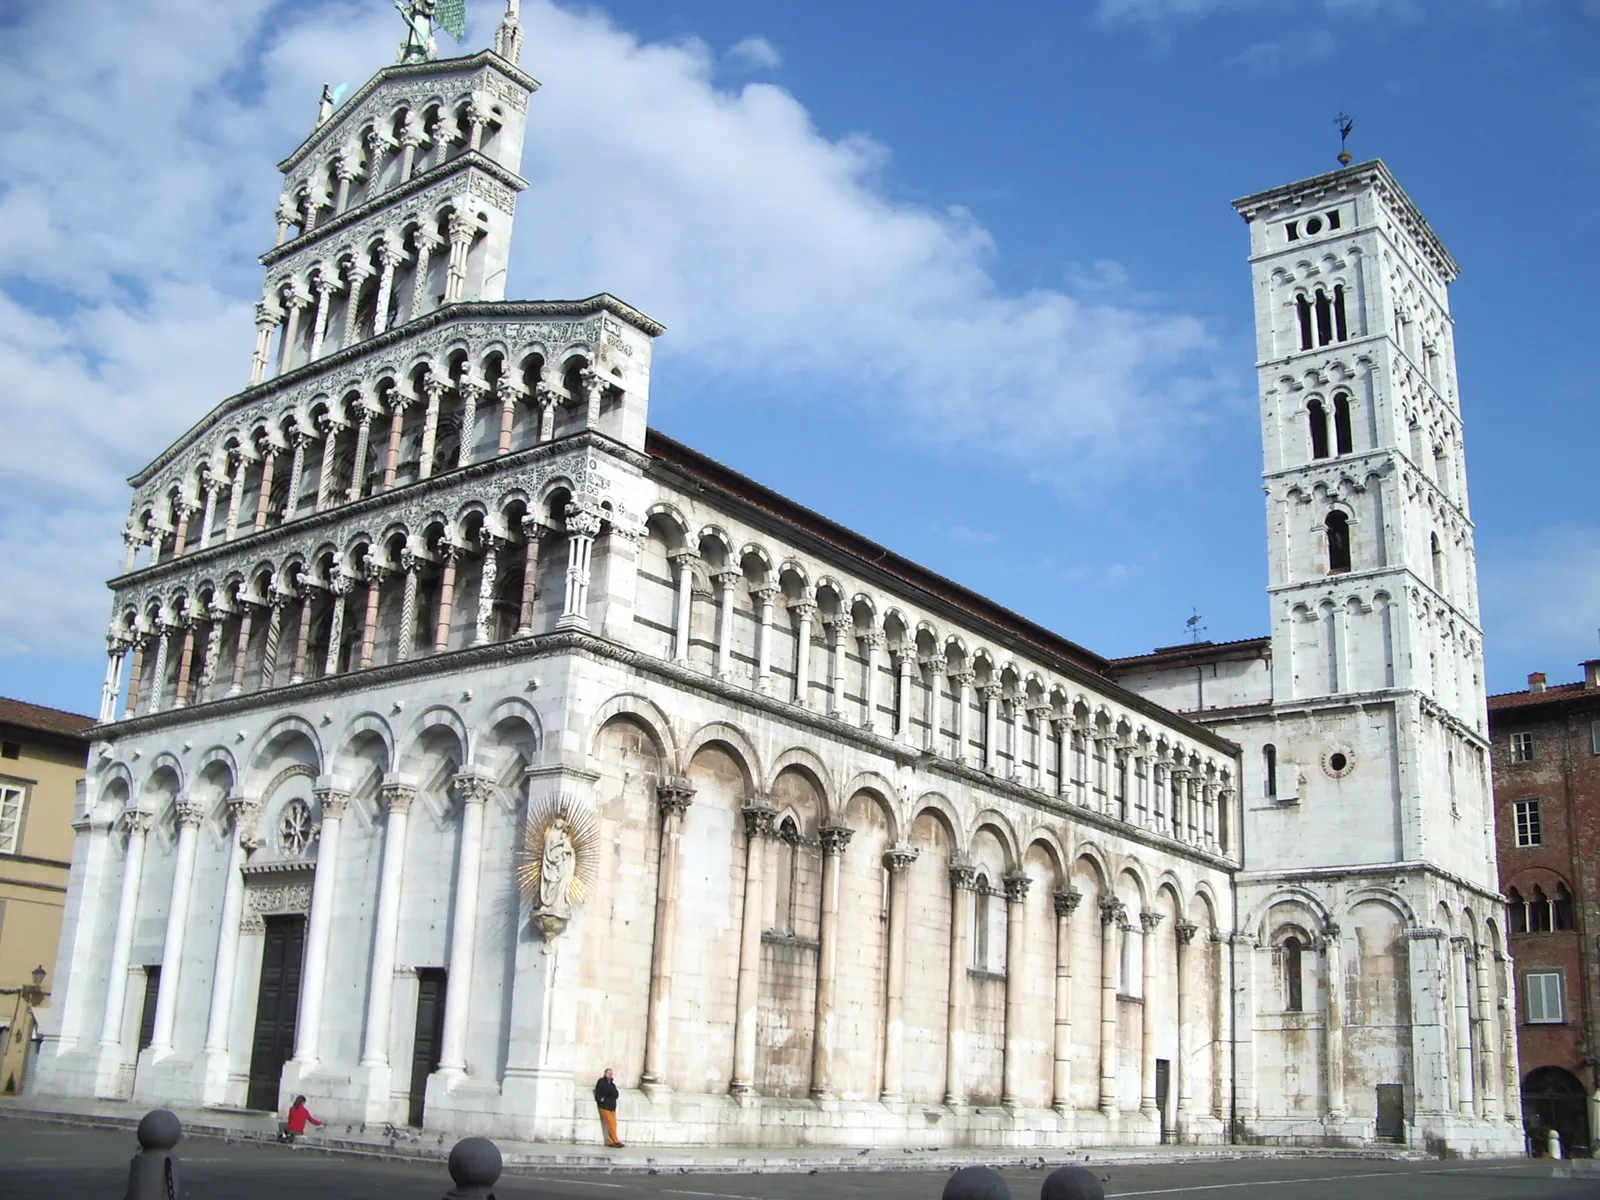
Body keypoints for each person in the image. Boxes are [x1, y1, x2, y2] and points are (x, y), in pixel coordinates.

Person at [593, 1068, 623, 1147]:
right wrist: (601, 1099)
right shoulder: (602, 1082)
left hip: (612, 1107)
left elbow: (616, 1094)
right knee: (610, 1123)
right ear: (605, 1074)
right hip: (605, 1106)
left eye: (611, 1073)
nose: (610, 1075)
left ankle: (612, 1141)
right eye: (608, 1073)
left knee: (614, 1124)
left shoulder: (612, 1085)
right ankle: (615, 1140)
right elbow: (600, 1091)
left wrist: (610, 1093)